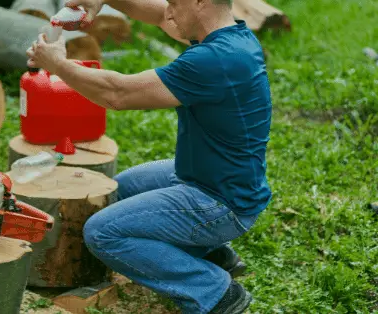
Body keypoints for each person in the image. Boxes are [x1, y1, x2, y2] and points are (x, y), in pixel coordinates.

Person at [26, 0, 272, 312]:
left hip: (222, 201)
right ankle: (209, 253)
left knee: (103, 232)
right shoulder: (231, 37)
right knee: (117, 191)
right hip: (210, 177)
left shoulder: (214, 60)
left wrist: (59, 65)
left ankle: (213, 291)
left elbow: (118, 94)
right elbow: (157, 15)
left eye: (174, 3)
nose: (168, 11)